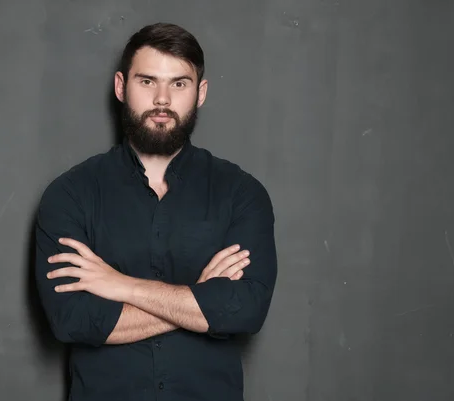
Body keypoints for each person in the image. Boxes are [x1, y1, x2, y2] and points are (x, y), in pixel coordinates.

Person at [34, 22, 277, 401]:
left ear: (200, 93)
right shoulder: (71, 194)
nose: (162, 99)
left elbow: (244, 311)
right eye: (147, 81)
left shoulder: (242, 194)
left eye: (179, 83)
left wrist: (122, 286)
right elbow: (73, 320)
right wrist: (200, 298)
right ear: (120, 86)